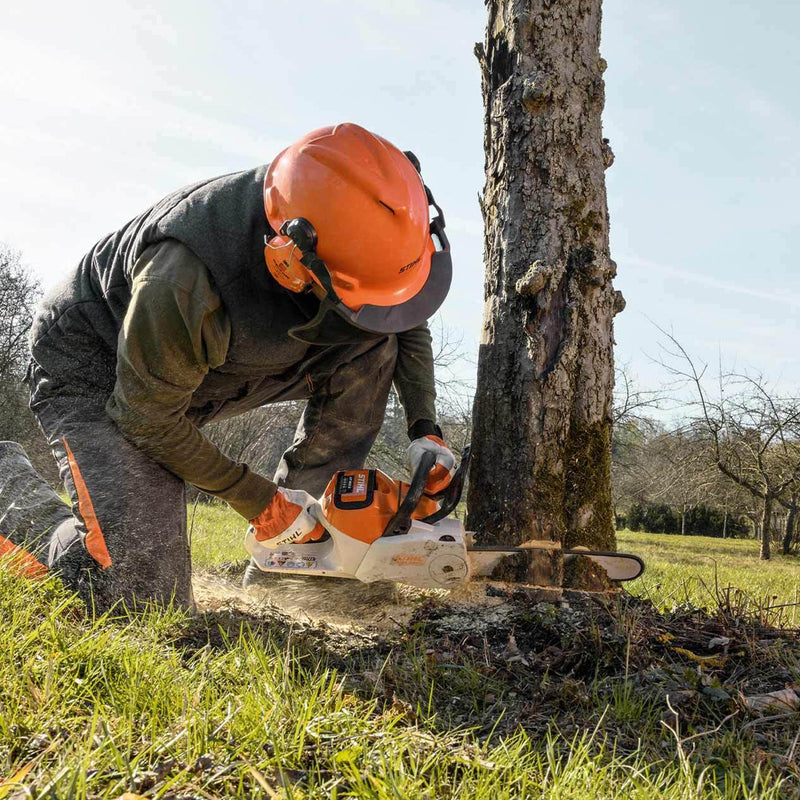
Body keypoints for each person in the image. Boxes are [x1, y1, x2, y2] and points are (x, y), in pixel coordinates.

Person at [0, 123, 456, 611]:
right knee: (139, 597)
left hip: (205, 360)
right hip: (98, 368)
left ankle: (298, 563)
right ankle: (10, 494)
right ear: (289, 261)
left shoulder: (355, 224)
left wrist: (425, 428)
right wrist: (256, 499)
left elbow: (399, 313)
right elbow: (146, 416)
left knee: (372, 346)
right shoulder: (184, 279)